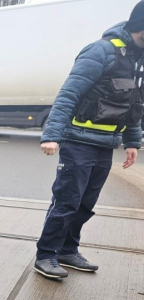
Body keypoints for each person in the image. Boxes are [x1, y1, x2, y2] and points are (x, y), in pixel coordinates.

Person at [34, 2, 144, 279]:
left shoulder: (136, 60)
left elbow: (134, 104)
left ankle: (68, 251)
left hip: (106, 143)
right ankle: (46, 254)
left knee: (85, 203)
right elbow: (68, 94)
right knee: (67, 201)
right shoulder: (101, 51)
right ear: (137, 27)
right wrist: (51, 136)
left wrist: (132, 142)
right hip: (77, 141)